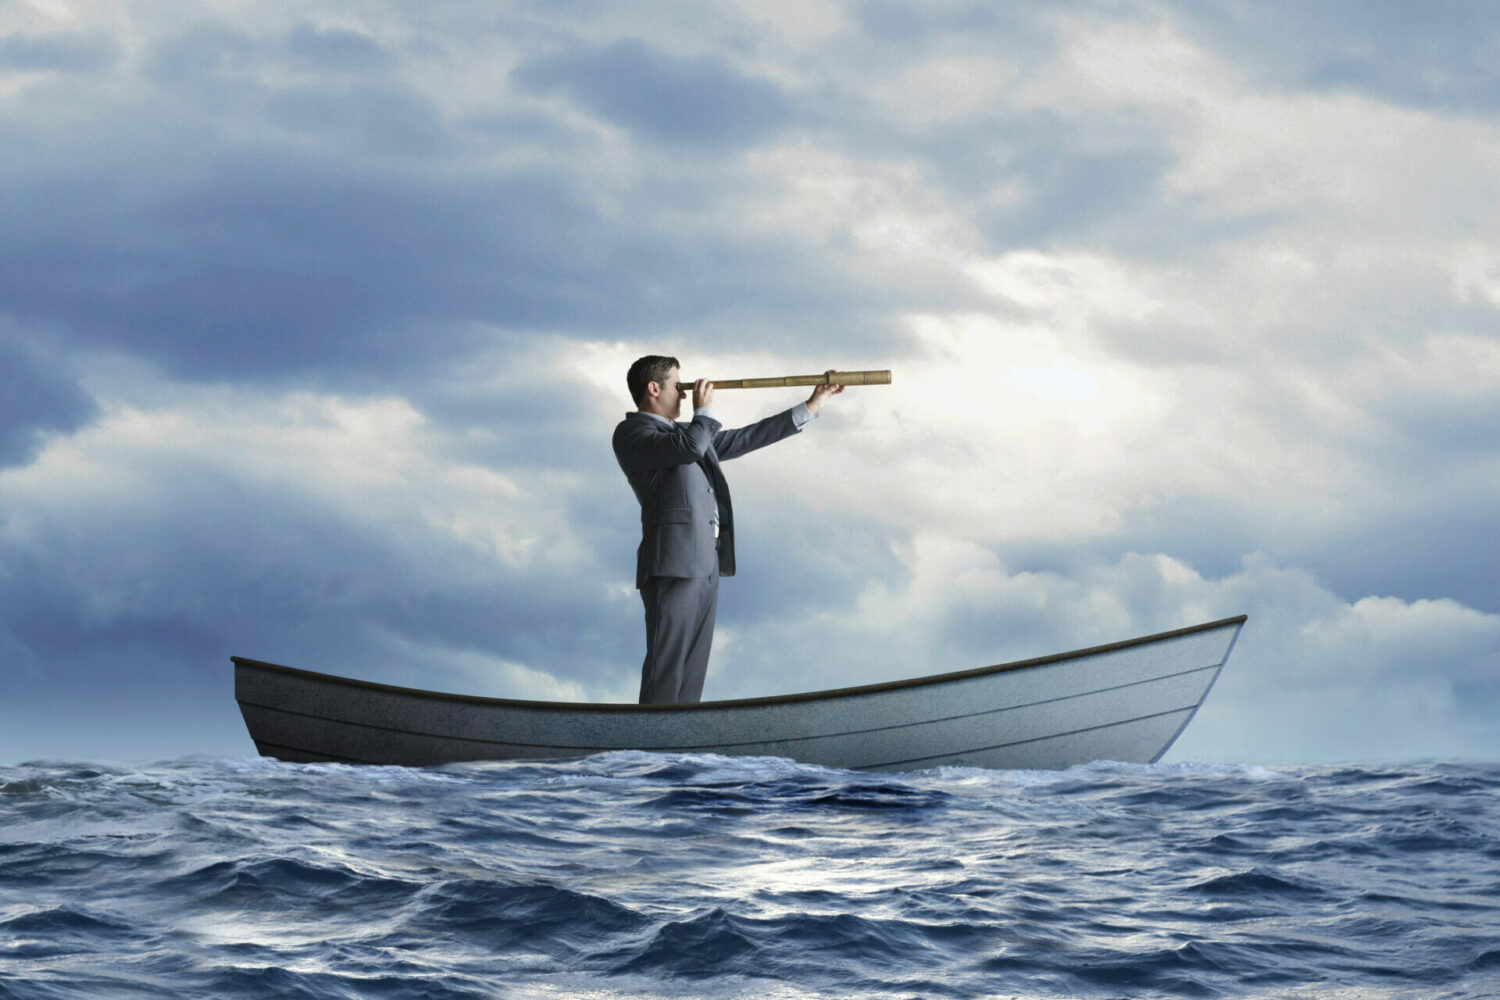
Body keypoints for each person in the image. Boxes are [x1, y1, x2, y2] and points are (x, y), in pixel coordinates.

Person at [612, 356, 842, 704]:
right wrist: (704, 413)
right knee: (667, 666)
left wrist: (811, 405)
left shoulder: (687, 436)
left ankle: (680, 749)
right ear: (653, 388)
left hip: (705, 566)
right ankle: (648, 750)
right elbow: (689, 448)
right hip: (672, 563)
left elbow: (745, 438)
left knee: (692, 672)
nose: (686, 396)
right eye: (679, 386)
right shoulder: (633, 433)